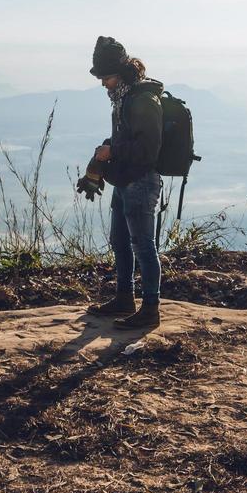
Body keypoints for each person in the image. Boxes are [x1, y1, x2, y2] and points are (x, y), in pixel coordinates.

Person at [81, 35, 165, 330]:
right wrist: (105, 153)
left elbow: (148, 150)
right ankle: (124, 298)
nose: (103, 83)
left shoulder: (142, 99)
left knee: (143, 245)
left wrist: (112, 151)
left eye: (106, 77)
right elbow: (128, 139)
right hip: (124, 180)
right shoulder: (124, 97)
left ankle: (150, 309)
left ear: (120, 73)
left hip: (141, 182)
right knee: (120, 241)